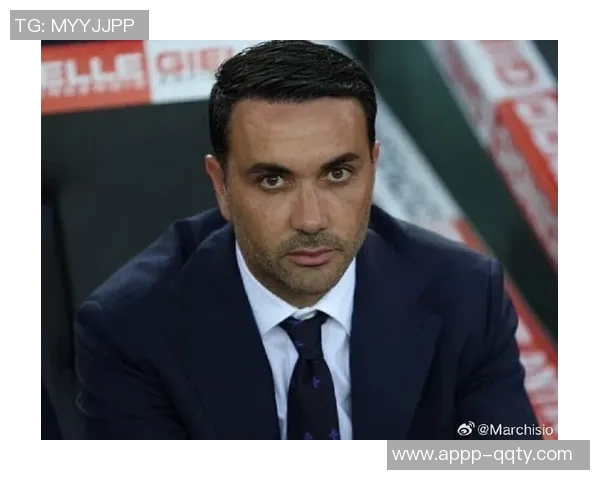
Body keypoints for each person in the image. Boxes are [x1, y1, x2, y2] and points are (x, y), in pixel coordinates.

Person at [74, 40, 542, 440]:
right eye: (273, 181)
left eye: (338, 174)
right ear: (221, 186)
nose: (312, 219)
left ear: (373, 168)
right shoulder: (131, 327)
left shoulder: (466, 294)